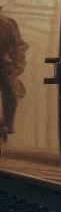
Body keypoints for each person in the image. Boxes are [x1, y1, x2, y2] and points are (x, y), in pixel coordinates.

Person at [0, 10, 28, 144]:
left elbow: (18, 46)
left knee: (10, 93)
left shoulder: (8, 24)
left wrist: (17, 65)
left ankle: (7, 123)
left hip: (2, 64)